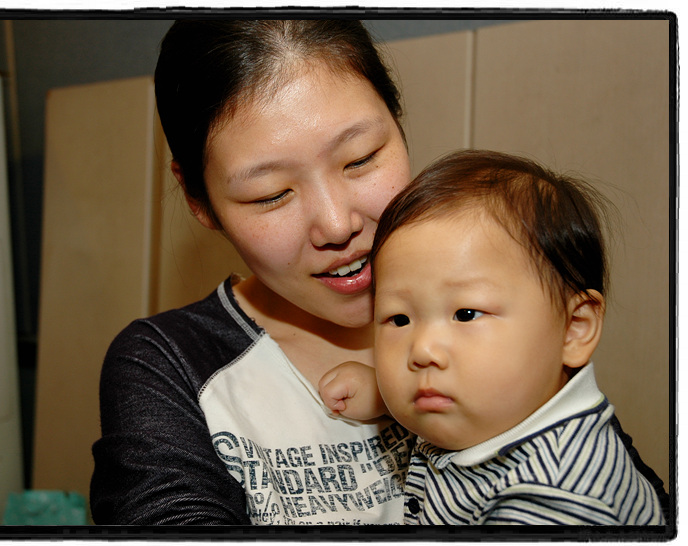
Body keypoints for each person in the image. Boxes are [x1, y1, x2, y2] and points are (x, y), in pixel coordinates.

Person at [89, 20, 666, 526]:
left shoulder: (507, 285)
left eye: (361, 158)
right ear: (199, 200)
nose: (337, 224)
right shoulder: (170, 366)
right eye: (270, 194)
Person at [318, 149, 666, 525]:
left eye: (466, 314)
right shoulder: (500, 409)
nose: (422, 349)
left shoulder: (557, 498)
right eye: (399, 319)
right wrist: (385, 395)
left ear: (573, 329)